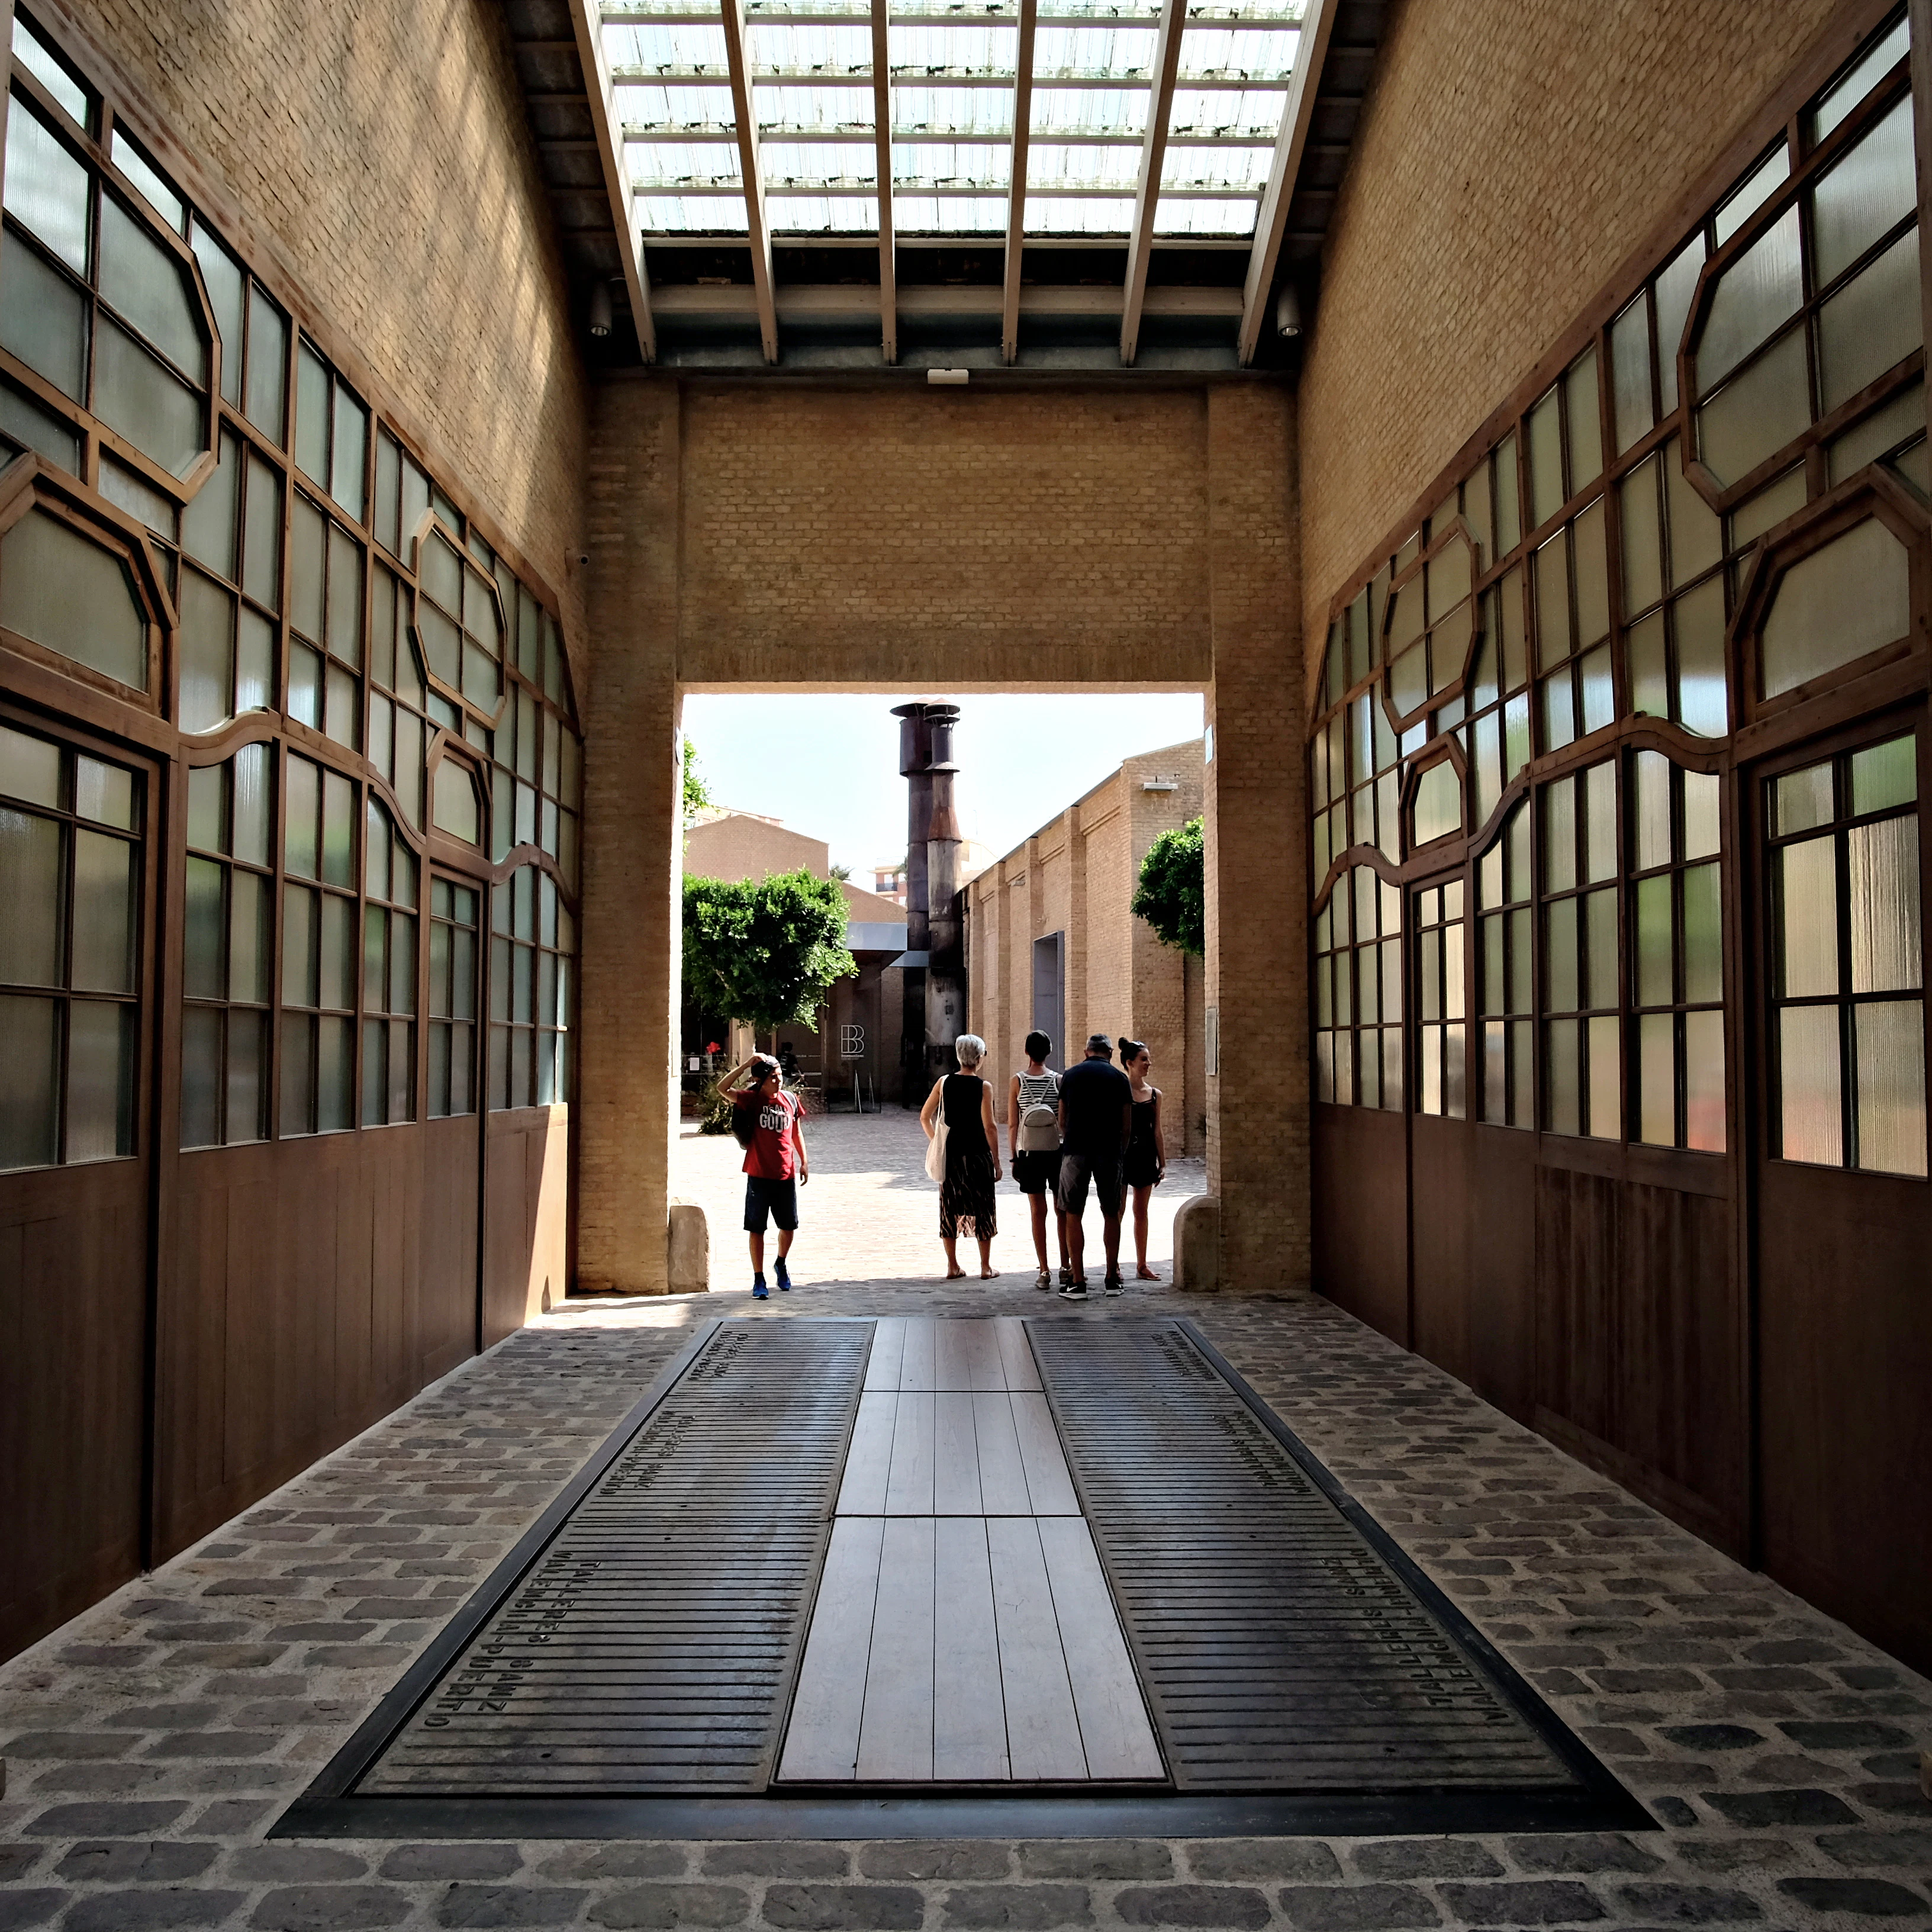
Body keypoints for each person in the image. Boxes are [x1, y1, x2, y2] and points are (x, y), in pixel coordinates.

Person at [717, 1051, 809, 1300]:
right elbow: (722, 1088)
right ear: (761, 1080)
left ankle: (781, 1263)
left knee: (788, 1227)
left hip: (785, 1174)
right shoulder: (751, 1099)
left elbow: (796, 1133)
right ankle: (759, 1278)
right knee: (757, 1229)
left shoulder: (790, 1100)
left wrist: (804, 1161)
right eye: (773, 1078)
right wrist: (746, 1065)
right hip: (758, 1174)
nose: (778, 1082)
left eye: (780, 1077)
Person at [1055, 1032, 1133, 1298]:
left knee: (1073, 1213)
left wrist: (1072, 1139)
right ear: (1110, 1053)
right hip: (1109, 1151)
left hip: (1076, 1150)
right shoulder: (1120, 1079)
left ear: (1086, 1051)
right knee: (1112, 1213)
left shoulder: (1071, 1076)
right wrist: (1119, 1151)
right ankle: (1112, 1278)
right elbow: (1126, 1123)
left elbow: (1062, 1119)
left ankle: (1078, 1281)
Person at [920, 1033, 1002, 1280]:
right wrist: (997, 1161)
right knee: (983, 1207)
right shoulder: (984, 1087)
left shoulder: (944, 1083)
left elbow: (925, 1116)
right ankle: (986, 1267)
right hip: (978, 1155)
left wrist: (937, 1141)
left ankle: (953, 1265)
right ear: (979, 1058)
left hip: (952, 1156)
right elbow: (990, 1127)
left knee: (949, 1207)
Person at [1007, 1031, 1069, 1291]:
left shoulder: (1017, 1081)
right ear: (1049, 1052)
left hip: (1029, 1154)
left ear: (1026, 1052)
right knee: (1062, 1210)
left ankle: (1044, 1270)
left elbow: (1012, 1124)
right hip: (1056, 1152)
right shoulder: (1059, 1081)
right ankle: (1066, 1266)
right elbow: (1064, 1122)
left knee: (1037, 1211)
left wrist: (1014, 1157)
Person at [1118, 1036, 1167, 1280]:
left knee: (1141, 1211)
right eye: (1144, 1059)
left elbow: (1157, 1130)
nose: (1149, 1063)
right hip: (1124, 1155)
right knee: (1117, 1211)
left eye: (1148, 1059)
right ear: (1129, 1063)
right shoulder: (1119, 1092)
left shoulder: (1155, 1095)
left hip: (1146, 1156)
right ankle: (1113, 1263)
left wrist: (1163, 1162)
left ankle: (1142, 1264)